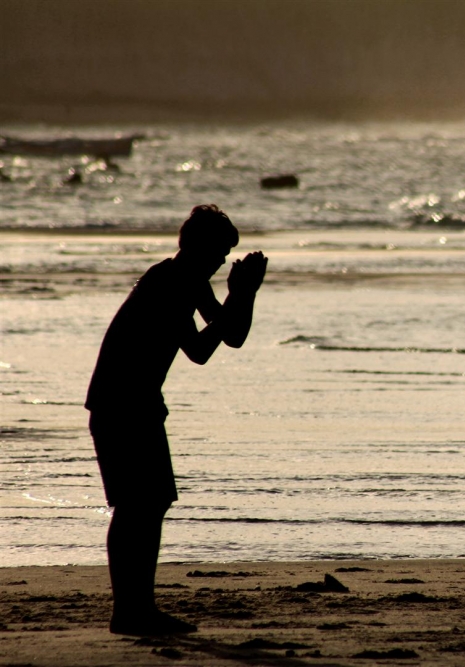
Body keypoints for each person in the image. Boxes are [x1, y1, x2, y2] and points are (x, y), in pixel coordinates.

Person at [86, 204, 267, 634]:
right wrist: (237, 295)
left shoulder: (188, 280)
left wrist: (244, 294)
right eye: (220, 251)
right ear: (199, 247)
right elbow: (202, 350)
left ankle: (136, 609)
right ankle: (131, 611)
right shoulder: (168, 283)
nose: (224, 260)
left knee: (148, 504)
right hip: (121, 403)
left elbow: (233, 335)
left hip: (137, 403)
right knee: (136, 507)